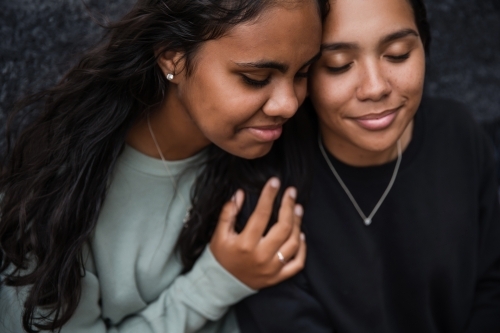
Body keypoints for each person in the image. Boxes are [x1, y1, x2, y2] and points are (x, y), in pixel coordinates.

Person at [0, 0, 326, 332]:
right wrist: (217, 281)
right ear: (173, 56)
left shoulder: (290, 148)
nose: (288, 104)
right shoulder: (56, 197)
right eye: (255, 78)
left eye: (302, 73)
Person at [235, 0, 500, 332]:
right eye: (339, 64)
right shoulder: (268, 185)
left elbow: (492, 283)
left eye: (398, 54)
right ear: (302, 75)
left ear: (424, 44)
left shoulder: (459, 132)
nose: (375, 88)